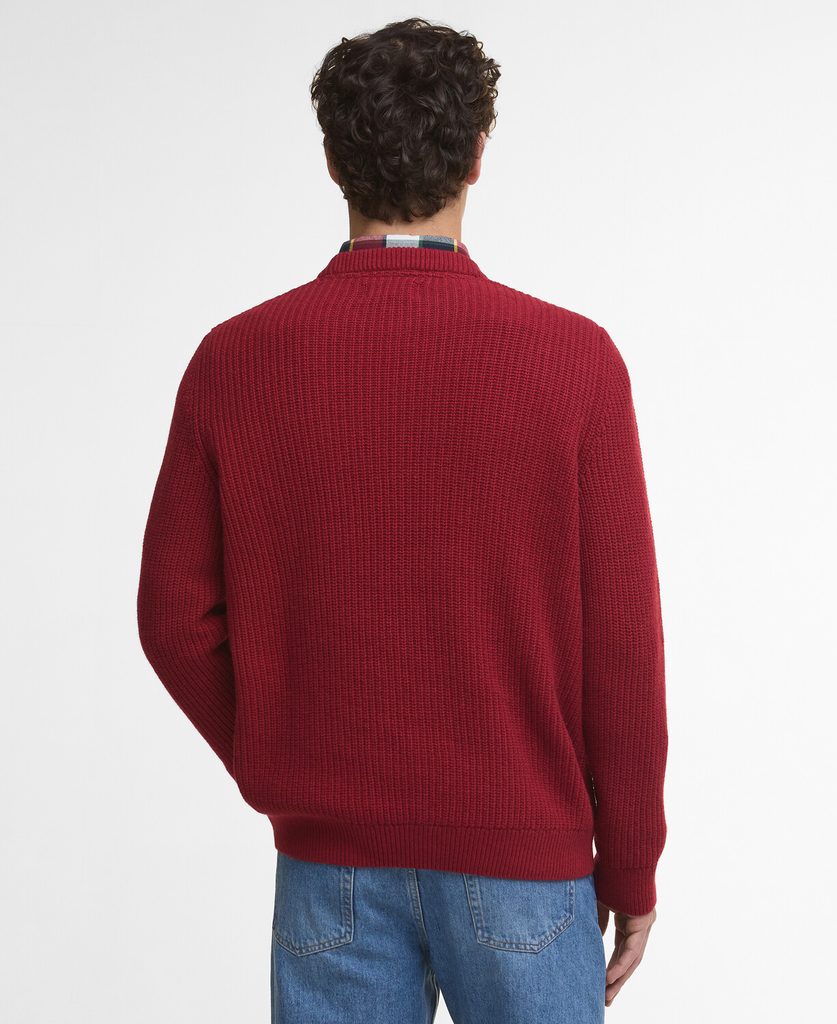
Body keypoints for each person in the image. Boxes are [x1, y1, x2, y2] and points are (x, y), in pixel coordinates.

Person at [136, 16, 668, 1023]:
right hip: (525, 861)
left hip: (328, 862)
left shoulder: (235, 360)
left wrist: (288, 759)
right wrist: (632, 864)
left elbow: (174, 619)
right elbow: (621, 649)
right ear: (478, 155)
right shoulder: (574, 362)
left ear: (332, 160)